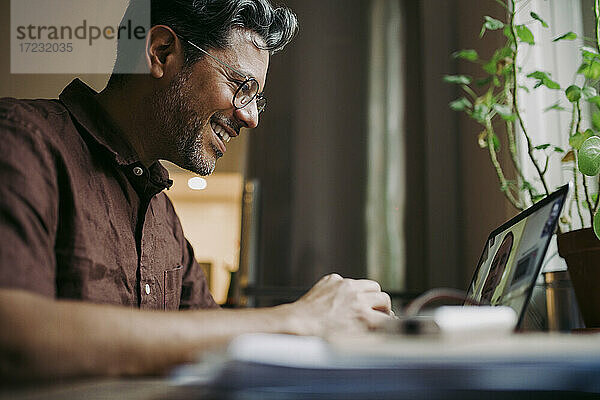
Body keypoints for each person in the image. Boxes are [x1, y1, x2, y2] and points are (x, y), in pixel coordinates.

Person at [0, 0, 392, 380]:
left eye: (257, 98)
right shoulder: (22, 140)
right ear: (161, 52)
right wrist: (296, 319)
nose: (251, 117)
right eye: (242, 86)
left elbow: (217, 342)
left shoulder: (163, 218)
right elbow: (14, 336)